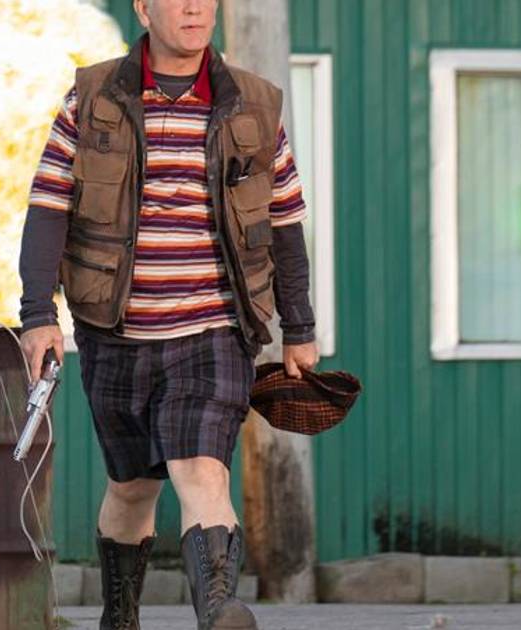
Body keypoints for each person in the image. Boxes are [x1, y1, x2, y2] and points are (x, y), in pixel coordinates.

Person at [17, 1, 318, 628]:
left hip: (215, 328)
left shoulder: (254, 106)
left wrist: (299, 328)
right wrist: (37, 313)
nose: (194, 7)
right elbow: (48, 208)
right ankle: (121, 615)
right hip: (115, 331)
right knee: (133, 486)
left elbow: (286, 222)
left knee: (202, 471)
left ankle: (218, 610)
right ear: (143, 8)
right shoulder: (92, 98)